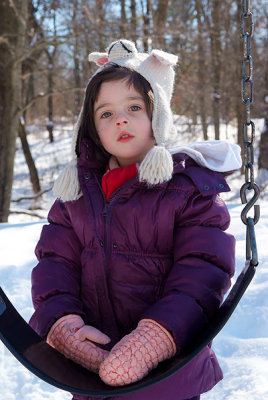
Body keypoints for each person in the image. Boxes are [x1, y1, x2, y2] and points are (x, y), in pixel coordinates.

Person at [29, 39, 242, 400]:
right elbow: (55, 265)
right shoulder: (76, 194)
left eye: (134, 107)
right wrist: (63, 324)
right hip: (93, 373)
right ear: (92, 128)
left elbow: (203, 269)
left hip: (169, 374)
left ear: (157, 115)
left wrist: (157, 336)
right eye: (106, 113)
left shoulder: (187, 189)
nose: (121, 119)